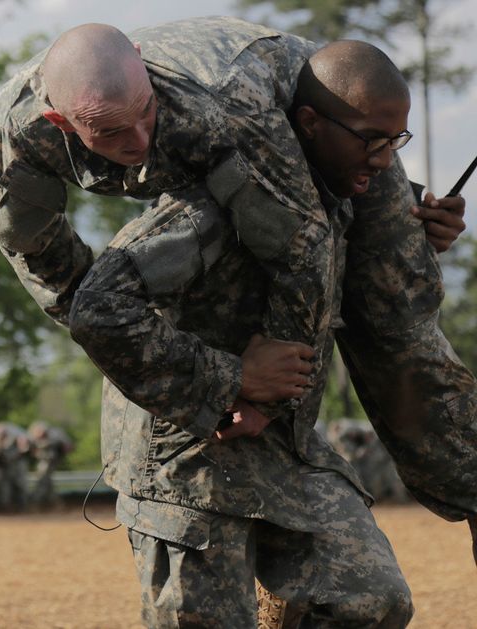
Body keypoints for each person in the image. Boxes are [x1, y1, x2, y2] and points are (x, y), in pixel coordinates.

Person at [0, 15, 477, 561]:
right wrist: (147, 353)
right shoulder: (19, 133)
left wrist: (272, 394)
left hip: (333, 123)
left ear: (146, 70)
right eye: (111, 131)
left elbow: (302, 246)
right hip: (239, 164)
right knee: (176, 310)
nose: (139, 140)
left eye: (145, 114)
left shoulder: (223, 104)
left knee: (398, 325)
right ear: (60, 119)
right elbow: (38, 252)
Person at [68, 40, 416, 626]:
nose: (384, 160)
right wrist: (229, 381)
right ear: (308, 124)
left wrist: (415, 229)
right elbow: (98, 309)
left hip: (285, 449)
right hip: (188, 457)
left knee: (373, 601)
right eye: (371, 140)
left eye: (394, 143)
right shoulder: (212, 203)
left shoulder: (338, 198)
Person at [26, 421, 73, 508]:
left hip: (51, 460)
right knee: (46, 481)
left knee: (42, 480)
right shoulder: (32, 436)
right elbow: (30, 447)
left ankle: (35, 503)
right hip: (43, 459)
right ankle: (56, 503)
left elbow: (67, 446)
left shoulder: (55, 435)